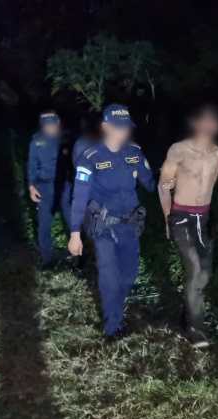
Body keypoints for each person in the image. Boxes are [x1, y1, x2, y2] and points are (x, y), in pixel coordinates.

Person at [67, 104, 155, 339]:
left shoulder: (134, 152)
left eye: (126, 127)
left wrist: (165, 181)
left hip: (129, 223)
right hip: (102, 225)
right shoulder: (90, 157)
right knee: (109, 274)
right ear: (106, 127)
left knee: (129, 274)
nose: (122, 132)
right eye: (118, 127)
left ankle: (115, 306)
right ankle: (112, 326)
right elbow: (79, 197)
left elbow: (150, 183)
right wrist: (75, 233)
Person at [158, 104, 218, 348]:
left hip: (203, 218)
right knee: (195, 270)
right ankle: (197, 329)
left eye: (213, 121)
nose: (208, 126)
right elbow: (164, 185)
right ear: (195, 124)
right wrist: (168, 218)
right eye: (204, 120)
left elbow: (210, 186)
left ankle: (187, 313)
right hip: (181, 217)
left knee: (205, 273)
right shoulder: (178, 150)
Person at [27, 110, 72, 266]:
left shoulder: (66, 140)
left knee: (72, 220)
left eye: (53, 125)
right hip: (44, 187)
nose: (51, 128)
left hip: (64, 185)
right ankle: (47, 259)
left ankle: (77, 254)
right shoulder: (36, 142)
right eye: (48, 125)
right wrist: (31, 186)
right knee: (45, 224)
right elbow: (32, 165)